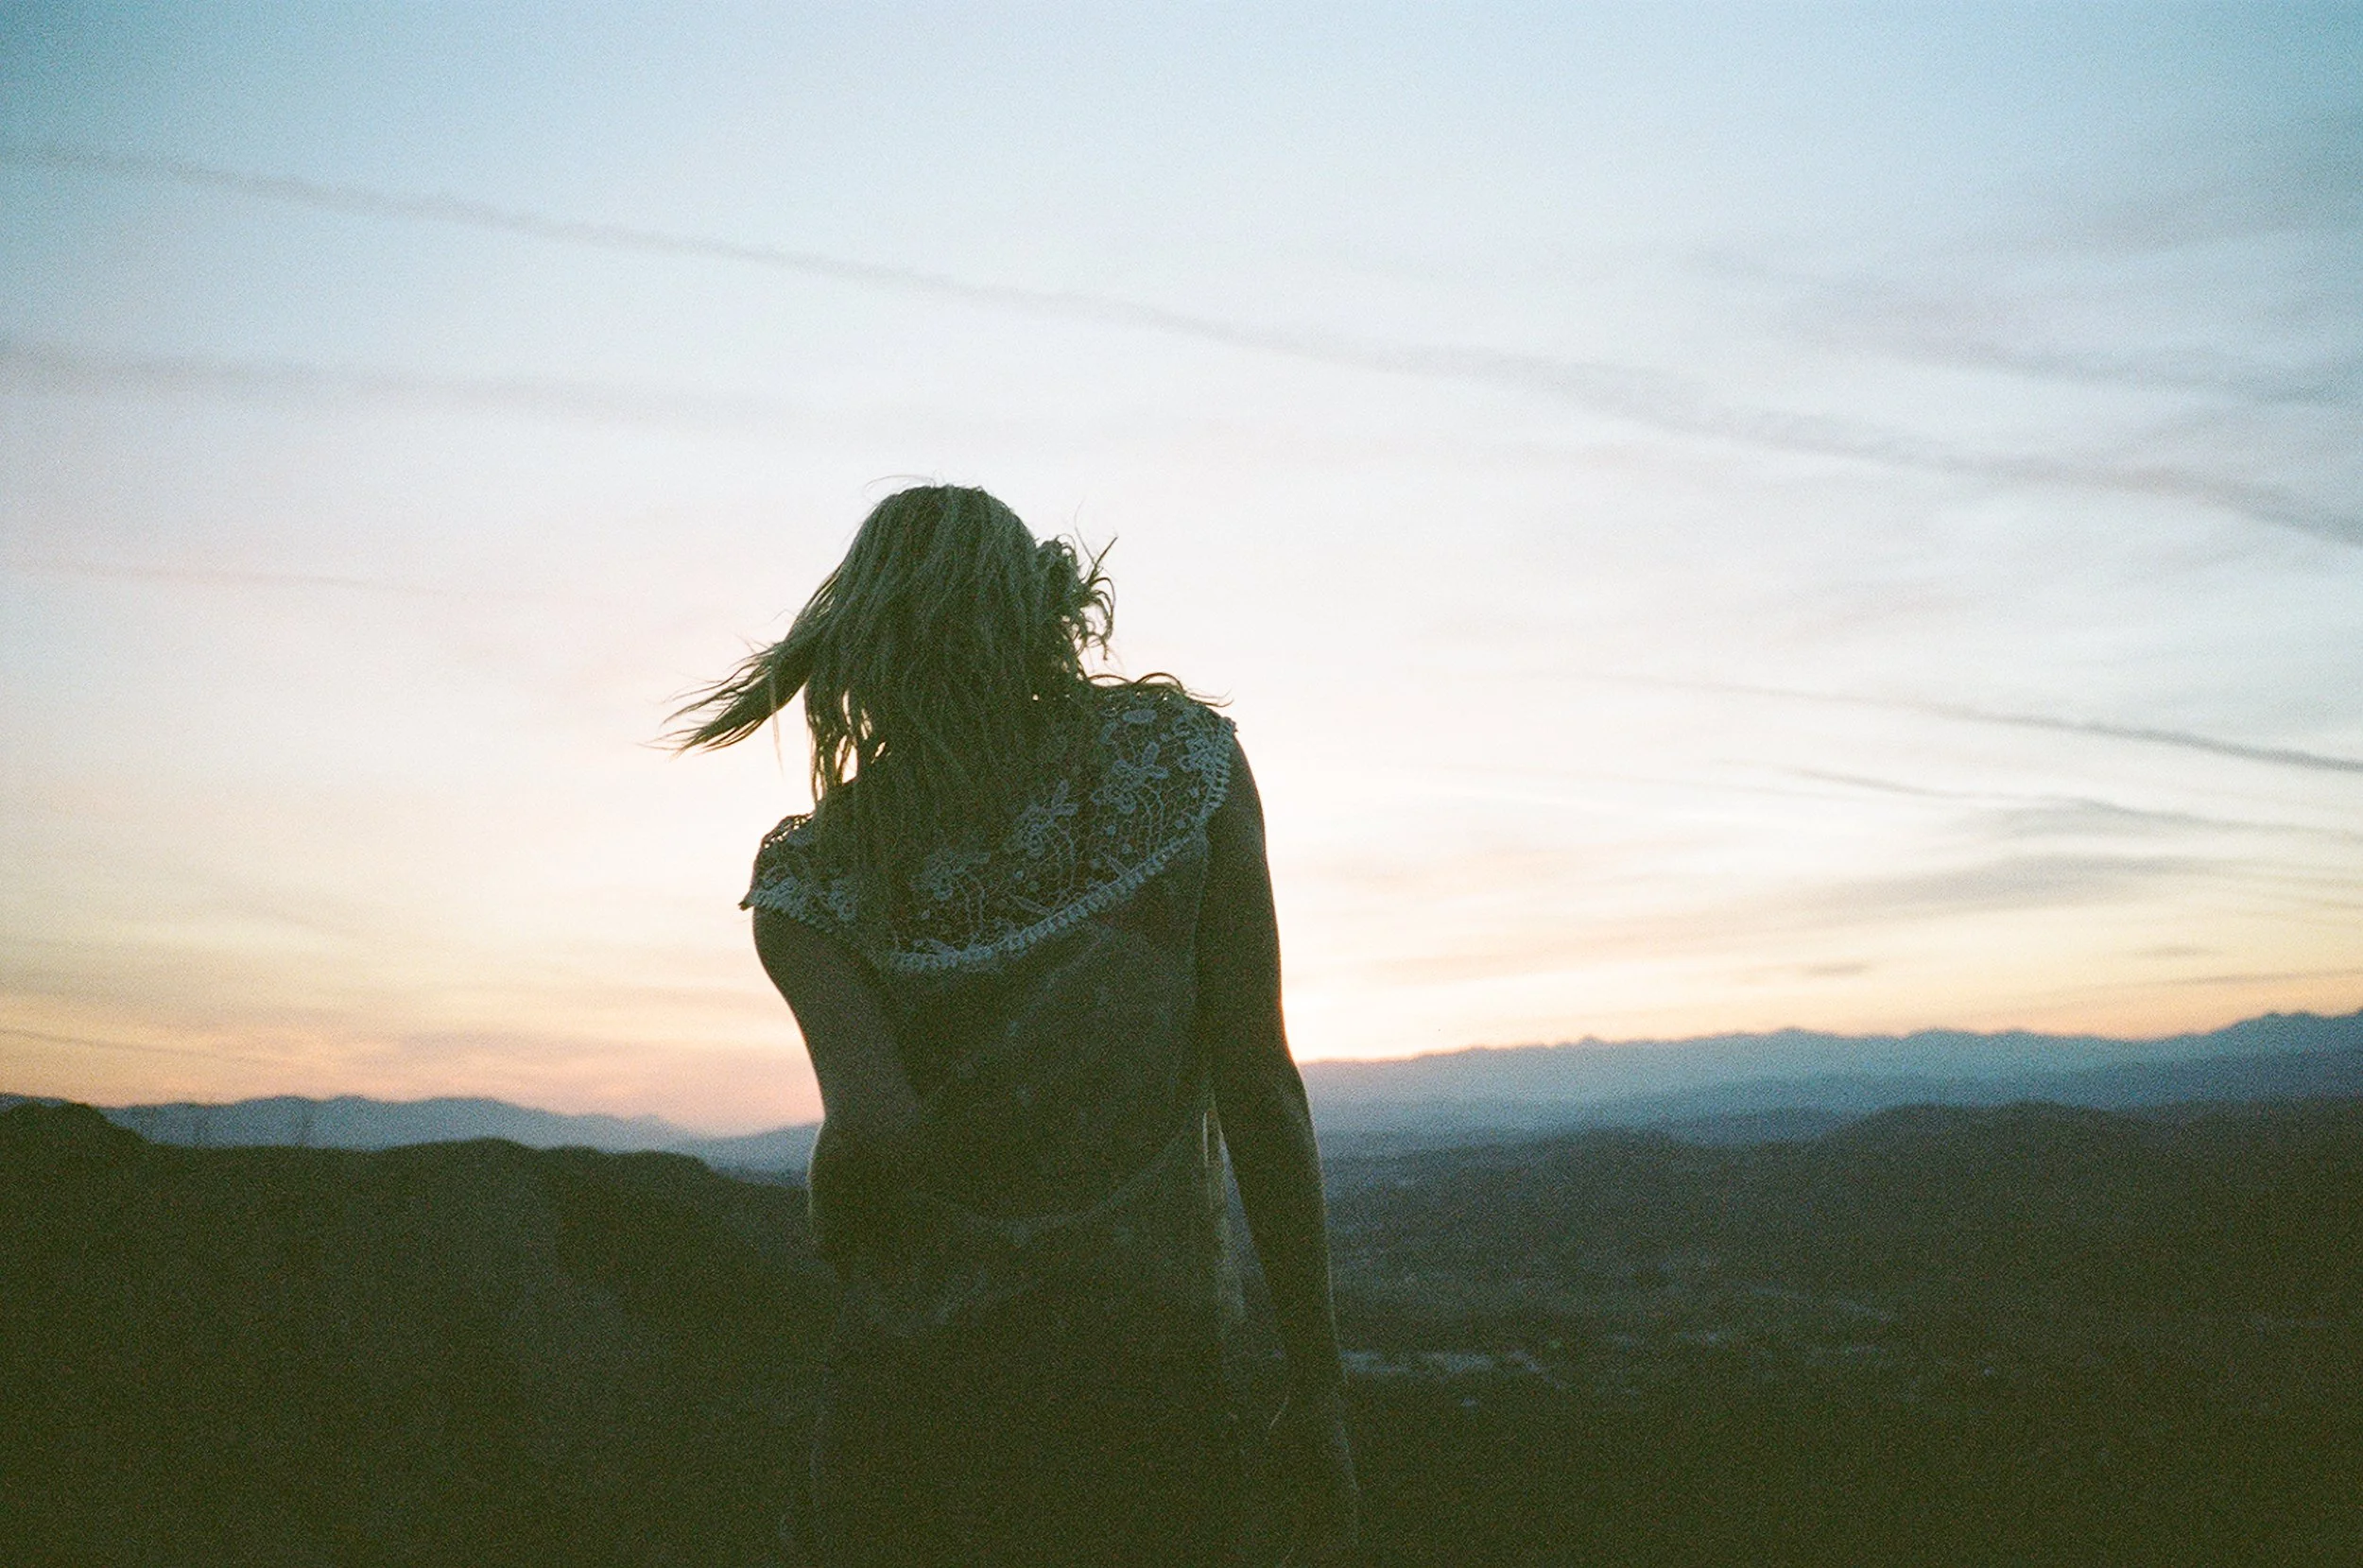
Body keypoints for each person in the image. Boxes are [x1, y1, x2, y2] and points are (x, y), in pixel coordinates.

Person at [670, 485, 1356, 1566]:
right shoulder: (1182, 768)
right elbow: (1259, 1083)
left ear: (862, 643)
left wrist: (829, 1187)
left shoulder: (815, 881)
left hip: (916, 1402)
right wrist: (1316, 1381)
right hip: (1143, 1377)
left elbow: (877, 1141)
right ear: (1037, 608)